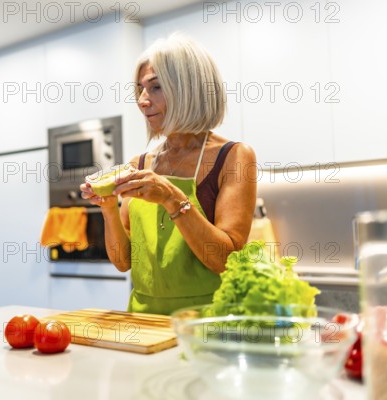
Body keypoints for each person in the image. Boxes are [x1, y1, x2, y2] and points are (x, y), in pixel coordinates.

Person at [80, 33, 257, 315]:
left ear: (188, 89)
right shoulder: (138, 164)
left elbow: (227, 260)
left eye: (156, 87)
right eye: (140, 89)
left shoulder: (233, 157)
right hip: (143, 321)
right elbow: (124, 262)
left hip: (207, 323)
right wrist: (109, 209)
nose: (142, 100)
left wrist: (172, 199)